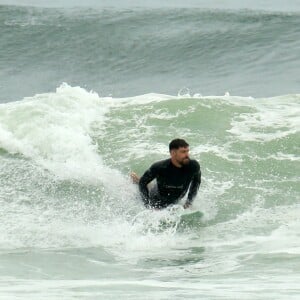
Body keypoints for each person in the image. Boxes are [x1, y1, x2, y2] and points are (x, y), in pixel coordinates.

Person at [131, 138, 201, 209]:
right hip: (156, 200)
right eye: (183, 152)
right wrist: (147, 205)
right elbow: (142, 183)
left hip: (174, 200)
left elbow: (196, 183)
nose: (187, 155)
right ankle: (137, 180)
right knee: (146, 184)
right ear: (173, 153)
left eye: (187, 151)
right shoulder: (160, 167)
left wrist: (189, 202)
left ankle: (144, 182)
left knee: (152, 186)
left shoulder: (193, 166)